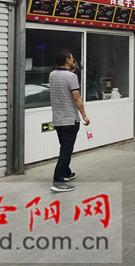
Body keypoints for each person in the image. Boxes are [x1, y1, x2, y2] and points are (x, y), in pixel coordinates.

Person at [49, 49, 90, 192]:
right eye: (72, 58)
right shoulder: (71, 77)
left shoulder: (52, 75)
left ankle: (66, 173)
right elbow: (76, 97)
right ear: (67, 60)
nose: (73, 60)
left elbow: (62, 86)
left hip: (58, 119)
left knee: (64, 148)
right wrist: (84, 115)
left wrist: (71, 72)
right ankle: (58, 181)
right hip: (70, 120)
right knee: (66, 151)